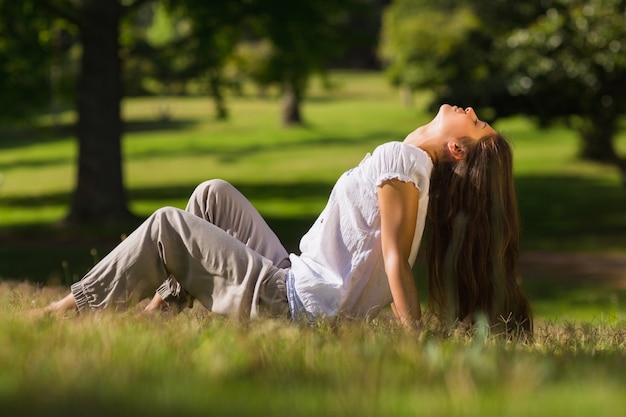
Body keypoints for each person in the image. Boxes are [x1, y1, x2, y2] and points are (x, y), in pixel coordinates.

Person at [30, 104, 532, 335]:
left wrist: (414, 338)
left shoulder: (401, 160)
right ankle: (157, 315)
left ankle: (69, 309)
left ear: (456, 147)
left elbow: (395, 262)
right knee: (213, 196)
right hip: (301, 284)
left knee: (167, 224)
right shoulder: (410, 168)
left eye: (476, 120)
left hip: (295, 305)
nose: (468, 108)